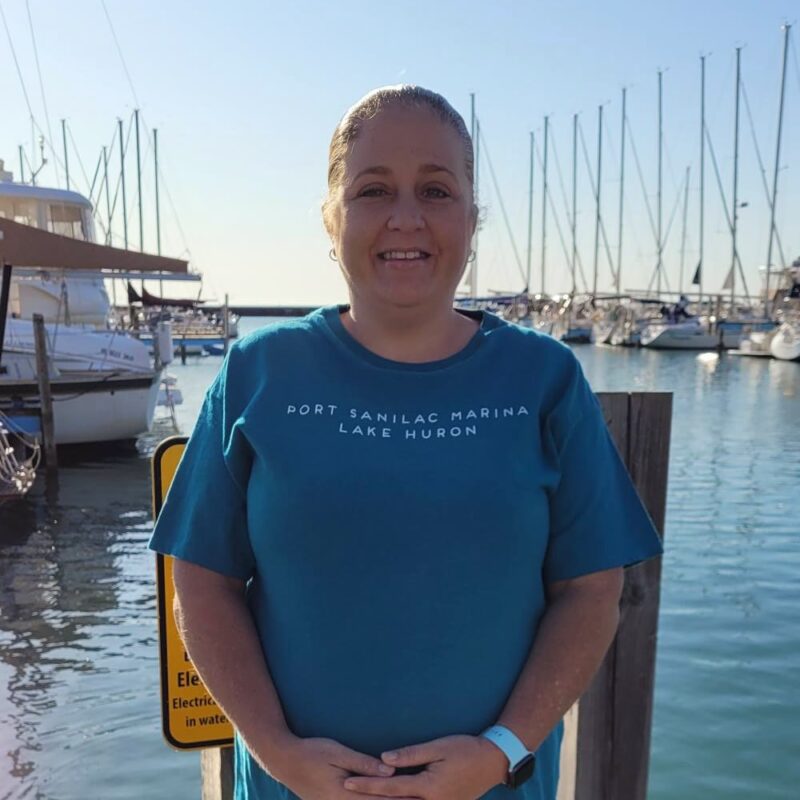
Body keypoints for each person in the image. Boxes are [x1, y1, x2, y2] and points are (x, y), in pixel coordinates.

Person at [149, 85, 663, 800]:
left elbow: (592, 589)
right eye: (373, 189)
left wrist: (501, 750)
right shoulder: (258, 373)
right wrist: (277, 752)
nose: (406, 217)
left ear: (473, 217)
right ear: (332, 219)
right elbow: (201, 583)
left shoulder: (543, 379)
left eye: (436, 189)